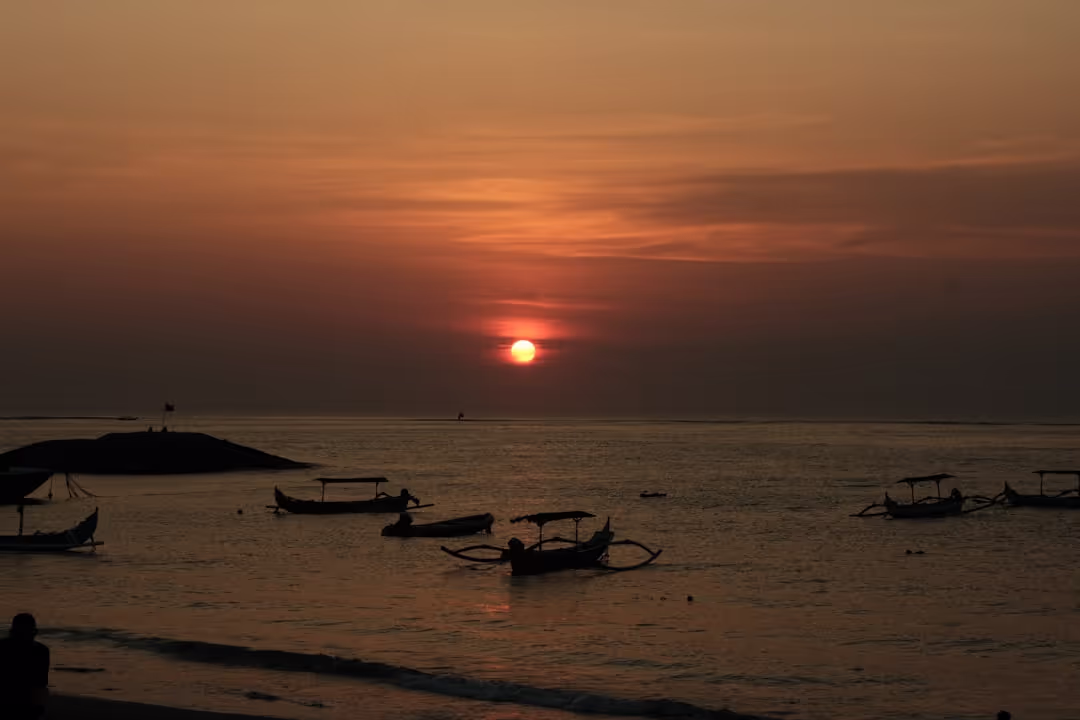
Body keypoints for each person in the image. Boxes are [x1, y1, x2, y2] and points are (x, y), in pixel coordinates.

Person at [0, 613, 50, 719]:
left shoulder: (2, 647)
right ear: (34, 632)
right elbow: (41, 682)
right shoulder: (41, 650)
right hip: (25, 701)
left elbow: (41, 682)